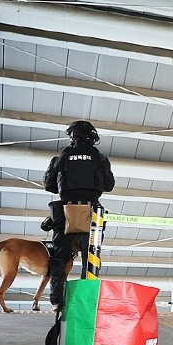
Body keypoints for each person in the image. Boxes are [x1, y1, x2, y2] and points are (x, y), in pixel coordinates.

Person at [43, 120, 115, 310]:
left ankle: (57, 302)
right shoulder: (100, 159)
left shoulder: (61, 158)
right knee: (90, 259)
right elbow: (109, 185)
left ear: (72, 136)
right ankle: (85, 302)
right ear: (93, 137)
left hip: (66, 212)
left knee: (59, 260)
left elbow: (49, 185)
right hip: (92, 213)